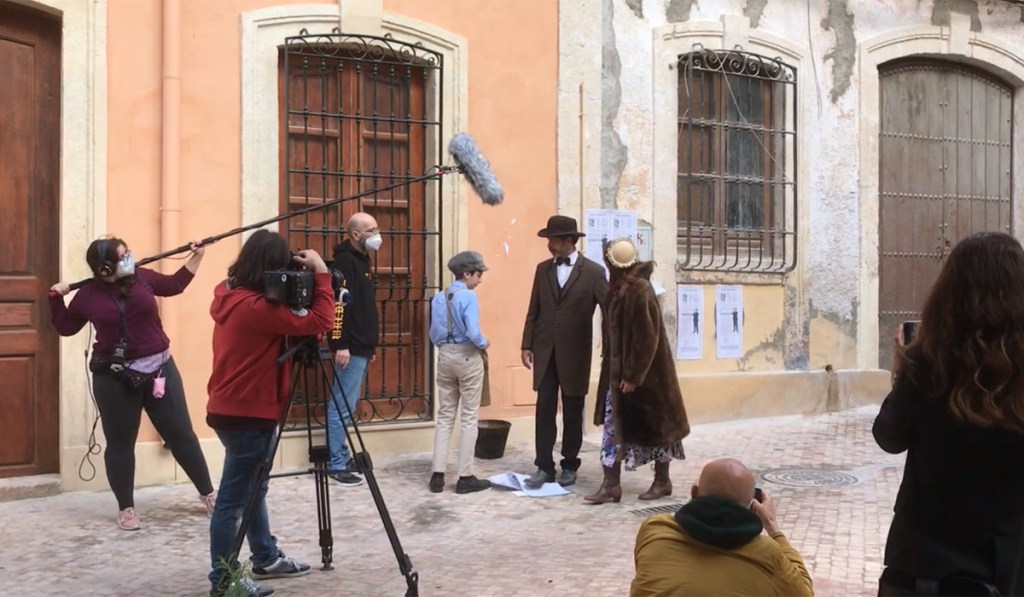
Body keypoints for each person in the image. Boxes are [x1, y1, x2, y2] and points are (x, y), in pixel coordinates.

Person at [874, 231, 1024, 597]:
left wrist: (904, 367)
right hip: (1004, 571)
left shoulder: (926, 364)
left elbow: (889, 438)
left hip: (923, 571)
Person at [49, 237, 215, 531]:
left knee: (182, 435)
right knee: (120, 444)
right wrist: (56, 298)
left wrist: (197, 256)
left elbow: (176, 284)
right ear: (104, 268)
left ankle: (209, 495)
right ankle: (126, 508)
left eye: (128, 253)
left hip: (160, 370)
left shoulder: (142, 278)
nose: (130, 258)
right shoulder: (87, 295)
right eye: (123, 256)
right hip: (113, 378)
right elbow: (65, 327)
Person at [206, 230, 335, 597]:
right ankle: (224, 580)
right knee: (233, 501)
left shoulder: (229, 293)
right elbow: (321, 320)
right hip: (249, 414)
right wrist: (322, 275)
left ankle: (265, 556)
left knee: (253, 489)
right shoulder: (258, 309)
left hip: (229, 407)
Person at [584, 237, 689, 504]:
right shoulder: (617, 289)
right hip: (616, 374)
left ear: (613, 263)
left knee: (658, 429)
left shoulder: (641, 290)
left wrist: (633, 376)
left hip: (648, 379)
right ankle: (610, 485)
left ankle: (662, 481)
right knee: (612, 428)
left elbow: (647, 337)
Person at [630, 458, 814, 597]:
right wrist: (774, 528)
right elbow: (804, 592)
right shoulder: (768, 555)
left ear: (694, 493)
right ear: (752, 507)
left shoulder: (654, 529)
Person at [521, 215, 609, 489]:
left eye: (553, 240)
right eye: (548, 240)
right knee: (544, 408)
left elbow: (609, 311)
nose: (549, 245)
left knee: (573, 410)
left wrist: (611, 346)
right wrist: (526, 344)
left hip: (575, 353)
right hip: (545, 350)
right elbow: (533, 309)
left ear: (569, 241)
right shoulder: (541, 269)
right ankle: (544, 465)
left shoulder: (594, 272)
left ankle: (570, 464)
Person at [426, 251, 492, 495]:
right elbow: (474, 331)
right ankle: (465, 476)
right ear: (467, 274)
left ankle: (437, 474)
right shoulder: (468, 296)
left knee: (444, 416)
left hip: (444, 354)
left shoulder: (438, 298)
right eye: (479, 273)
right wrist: (484, 343)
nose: (480, 279)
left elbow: (433, 333)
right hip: (467, 354)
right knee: (468, 416)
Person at [325, 212, 382, 487]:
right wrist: (341, 344)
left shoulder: (362, 260)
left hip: (361, 345)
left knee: (348, 403)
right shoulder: (345, 262)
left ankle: (342, 455)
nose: (377, 234)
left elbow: (364, 307)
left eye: (376, 228)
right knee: (341, 405)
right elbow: (339, 306)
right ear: (355, 235)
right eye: (370, 230)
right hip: (350, 346)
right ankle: (335, 463)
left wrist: (370, 344)